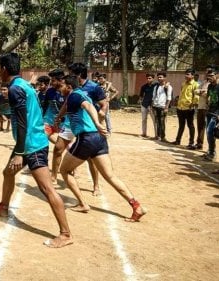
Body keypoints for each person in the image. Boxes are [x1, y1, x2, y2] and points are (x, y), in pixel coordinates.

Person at [0, 53, 73, 248]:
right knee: (8, 172)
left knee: (46, 188)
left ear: (4, 69)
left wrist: (19, 152)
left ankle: (65, 234)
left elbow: (23, 122)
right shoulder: (24, 86)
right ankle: (4, 207)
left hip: (31, 145)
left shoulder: (16, 89)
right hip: (29, 142)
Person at [58, 75, 147, 222]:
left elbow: (88, 106)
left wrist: (98, 123)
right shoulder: (80, 94)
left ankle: (82, 203)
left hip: (86, 138)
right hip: (99, 139)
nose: (59, 88)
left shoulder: (74, 95)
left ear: (68, 86)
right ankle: (136, 206)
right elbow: (83, 106)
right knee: (110, 176)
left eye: (61, 86)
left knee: (64, 170)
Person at [68, 63, 106, 196]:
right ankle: (74, 171)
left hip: (89, 126)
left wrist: (101, 113)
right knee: (72, 149)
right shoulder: (72, 87)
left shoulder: (94, 87)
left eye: (71, 73)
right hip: (75, 124)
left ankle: (96, 185)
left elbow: (104, 103)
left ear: (78, 75)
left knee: (92, 158)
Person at [46, 69, 75, 186]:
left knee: (88, 156)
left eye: (53, 80)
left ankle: (96, 185)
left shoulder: (71, 92)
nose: (51, 83)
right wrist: (57, 118)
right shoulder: (51, 92)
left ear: (61, 81)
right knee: (57, 148)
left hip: (73, 125)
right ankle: (53, 176)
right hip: (58, 122)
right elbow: (46, 105)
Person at [172, 68, 199, 149]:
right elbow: (181, 94)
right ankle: (178, 140)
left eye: (188, 74)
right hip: (180, 107)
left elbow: (196, 97)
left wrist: (193, 105)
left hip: (189, 108)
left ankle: (191, 143)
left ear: (193, 76)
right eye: (186, 74)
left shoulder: (196, 85)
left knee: (190, 125)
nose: (186, 76)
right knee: (181, 125)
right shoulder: (183, 84)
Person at [151, 72, 173, 142]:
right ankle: (158, 136)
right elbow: (154, 97)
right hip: (156, 106)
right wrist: (153, 105)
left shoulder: (168, 87)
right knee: (157, 121)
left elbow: (169, 98)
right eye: (158, 77)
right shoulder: (156, 87)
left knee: (162, 122)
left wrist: (166, 107)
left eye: (161, 77)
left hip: (163, 107)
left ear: (165, 78)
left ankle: (163, 137)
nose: (159, 78)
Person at [203, 70, 219, 161]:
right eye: (208, 76)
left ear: (217, 75)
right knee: (209, 133)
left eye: (212, 75)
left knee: (210, 132)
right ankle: (211, 151)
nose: (209, 77)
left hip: (217, 113)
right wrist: (207, 107)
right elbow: (208, 98)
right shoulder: (210, 86)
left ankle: (212, 152)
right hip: (210, 111)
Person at [140, 73, 157, 138]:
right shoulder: (144, 86)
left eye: (150, 78)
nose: (148, 79)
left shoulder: (156, 85)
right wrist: (141, 103)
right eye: (147, 78)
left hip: (152, 106)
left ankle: (156, 134)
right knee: (144, 120)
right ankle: (144, 133)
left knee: (154, 120)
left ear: (153, 78)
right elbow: (141, 96)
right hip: (144, 105)